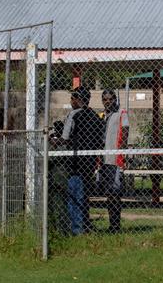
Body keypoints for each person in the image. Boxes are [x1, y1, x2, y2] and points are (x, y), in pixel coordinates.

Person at [54, 86, 104, 235]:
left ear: (79, 99)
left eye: (72, 98)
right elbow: (100, 140)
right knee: (83, 195)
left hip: (75, 162)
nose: (71, 101)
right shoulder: (95, 116)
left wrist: (54, 141)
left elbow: (64, 138)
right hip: (89, 162)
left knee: (73, 195)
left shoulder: (73, 115)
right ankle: (84, 224)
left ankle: (75, 228)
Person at [98, 89, 129, 233]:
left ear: (115, 99)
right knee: (109, 194)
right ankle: (112, 225)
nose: (107, 102)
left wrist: (121, 154)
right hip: (104, 161)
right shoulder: (102, 116)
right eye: (105, 99)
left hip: (116, 160)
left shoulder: (122, 113)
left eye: (110, 99)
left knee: (116, 193)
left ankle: (116, 225)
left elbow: (125, 132)